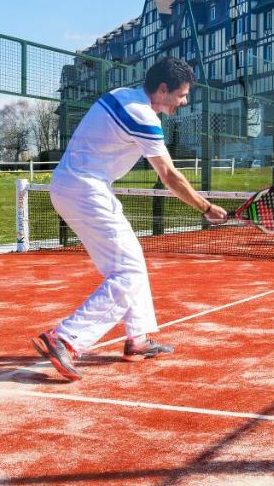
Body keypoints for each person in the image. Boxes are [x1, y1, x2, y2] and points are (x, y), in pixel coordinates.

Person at [31, 57, 228, 381]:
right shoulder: (143, 117)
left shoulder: (121, 95)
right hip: (85, 189)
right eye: (181, 94)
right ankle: (66, 337)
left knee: (131, 260)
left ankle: (137, 339)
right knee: (127, 271)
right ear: (162, 90)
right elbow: (169, 176)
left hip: (76, 186)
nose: (184, 101)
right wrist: (206, 208)